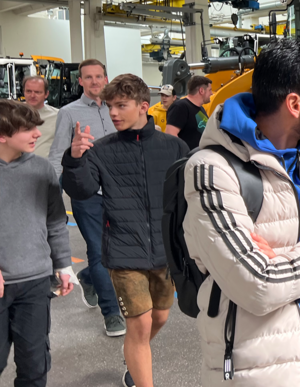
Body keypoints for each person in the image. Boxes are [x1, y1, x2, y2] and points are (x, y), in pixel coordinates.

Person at [182, 38, 300, 386]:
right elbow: (259, 286)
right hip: (255, 370)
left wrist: (282, 268)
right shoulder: (212, 170)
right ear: (294, 104)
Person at [61, 74, 189, 387]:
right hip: (123, 250)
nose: (113, 113)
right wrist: (75, 159)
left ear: (144, 106)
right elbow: (81, 190)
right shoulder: (100, 150)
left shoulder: (174, 147)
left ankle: (132, 353)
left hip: (165, 251)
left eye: (121, 105)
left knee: (159, 317)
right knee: (140, 325)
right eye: (110, 106)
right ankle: (139, 370)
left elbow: (187, 196)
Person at [47, 58, 125, 337]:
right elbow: (58, 153)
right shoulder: (69, 113)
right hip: (86, 192)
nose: (94, 81)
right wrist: (52, 191)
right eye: (88, 77)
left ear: (106, 79)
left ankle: (88, 277)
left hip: (119, 192)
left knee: (117, 250)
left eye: (98, 76)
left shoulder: (118, 109)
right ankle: (112, 313)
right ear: (80, 81)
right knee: (97, 249)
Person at [0, 99, 74, 387]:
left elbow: (55, 222)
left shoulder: (42, 169)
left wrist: (64, 266)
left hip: (35, 283)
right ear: (3, 135)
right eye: (28, 129)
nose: (37, 134)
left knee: (34, 365)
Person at [165, 75, 212, 149]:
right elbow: (170, 134)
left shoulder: (201, 109)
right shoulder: (180, 107)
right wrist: (185, 153)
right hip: (188, 155)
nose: (211, 93)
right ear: (201, 91)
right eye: (210, 90)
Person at [22, 75, 59, 158]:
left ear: (46, 94)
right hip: (15, 165)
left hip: (46, 164)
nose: (32, 95)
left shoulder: (58, 115)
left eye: (37, 92)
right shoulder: (11, 114)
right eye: (28, 91)